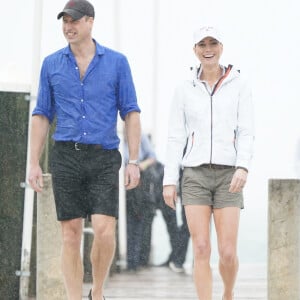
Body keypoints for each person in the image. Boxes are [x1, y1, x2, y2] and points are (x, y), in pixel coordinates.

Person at [28, 0, 141, 299]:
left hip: (104, 157)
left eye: (74, 20)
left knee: (104, 231)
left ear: (90, 22)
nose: (69, 26)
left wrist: (134, 160)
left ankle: (98, 292)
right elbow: (41, 114)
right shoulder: (51, 64)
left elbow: (130, 112)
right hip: (66, 155)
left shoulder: (117, 62)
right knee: (70, 234)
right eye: (65, 21)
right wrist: (33, 162)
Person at [163, 25, 254, 300]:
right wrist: (169, 180)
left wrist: (243, 166)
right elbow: (175, 137)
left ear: (221, 47)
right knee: (201, 247)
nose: (208, 49)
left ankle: (228, 293)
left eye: (213, 43)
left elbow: (246, 131)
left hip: (229, 175)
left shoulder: (239, 85)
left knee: (227, 252)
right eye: (202, 44)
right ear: (195, 50)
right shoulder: (184, 89)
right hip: (194, 176)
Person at [124, 133, 157, 271]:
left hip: (138, 185)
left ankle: (135, 260)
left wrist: (139, 166)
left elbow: (152, 158)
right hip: (121, 185)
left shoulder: (141, 137)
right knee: (130, 223)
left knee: (137, 222)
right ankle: (132, 259)